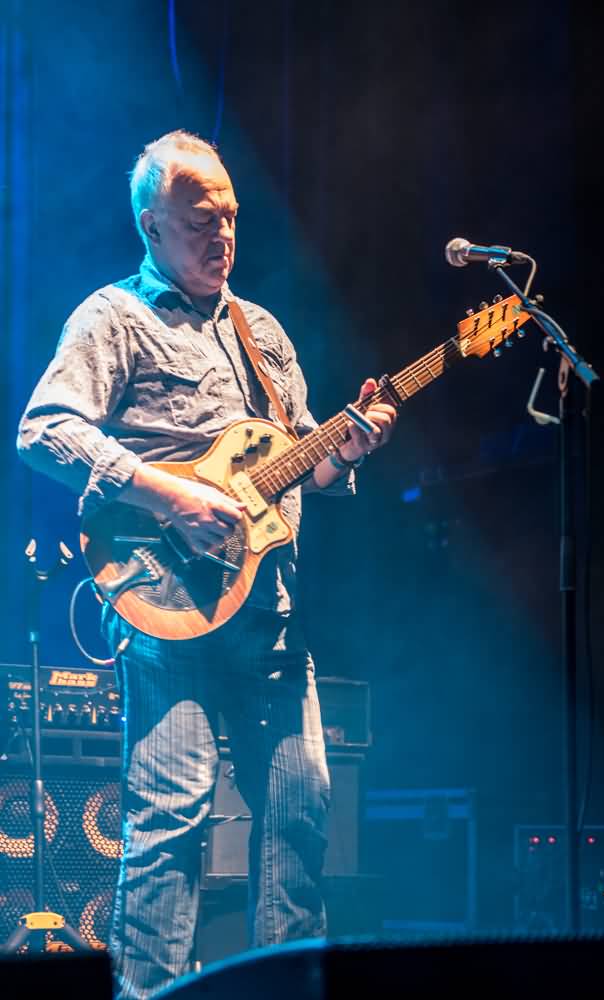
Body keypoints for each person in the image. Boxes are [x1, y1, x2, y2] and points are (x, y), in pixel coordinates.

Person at [16, 130, 396, 998]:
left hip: (271, 614)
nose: (221, 235)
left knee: (300, 819)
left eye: (229, 217)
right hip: (166, 606)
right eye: (199, 221)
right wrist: (169, 497)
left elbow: (305, 464)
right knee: (170, 827)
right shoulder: (113, 318)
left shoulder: (264, 333)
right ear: (151, 226)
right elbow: (44, 429)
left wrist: (347, 448)